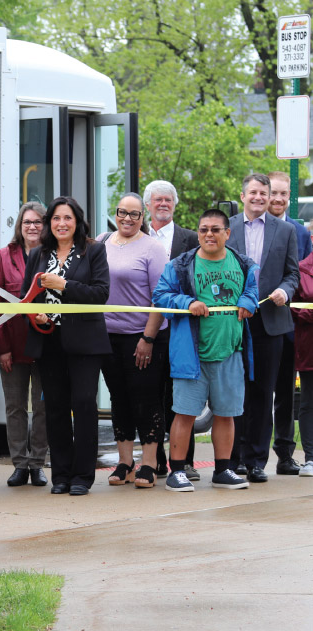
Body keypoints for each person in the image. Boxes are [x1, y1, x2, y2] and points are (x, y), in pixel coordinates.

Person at [153, 209, 258, 491]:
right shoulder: (180, 265)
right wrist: (186, 302)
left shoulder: (244, 264)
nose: (208, 235)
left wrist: (249, 300)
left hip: (230, 352)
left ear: (227, 233)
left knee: (226, 413)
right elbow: (160, 296)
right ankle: (176, 471)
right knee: (184, 413)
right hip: (192, 355)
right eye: (203, 230)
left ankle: (223, 470)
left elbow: (252, 290)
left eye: (215, 229)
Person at [23, 196, 110, 496]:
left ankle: (82, 477)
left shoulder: (94, 250)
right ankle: (60, 475)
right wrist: (36, 312)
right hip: (49, 341)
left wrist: (64, 286)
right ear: (49, 223)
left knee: (84, 405)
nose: (62, 224)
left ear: (78, 222)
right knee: (55, 408)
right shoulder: (39, 253)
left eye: (68, 218)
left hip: (85, 342)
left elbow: (101, 294)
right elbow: (27, 296)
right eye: (56, 218)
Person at [229, 173, 299, 482]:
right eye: (253, 192)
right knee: (234, 390)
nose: (259, 197)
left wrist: (286, 290)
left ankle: (256, 461)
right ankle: (234, 459)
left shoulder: (285, 231)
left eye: (264, 193)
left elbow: (293, 273)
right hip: (233, 323)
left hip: (271, 322)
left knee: (263, 392)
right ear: (243, 196)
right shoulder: (225, 227)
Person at [100, 193, 169, 489]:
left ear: (143, 217)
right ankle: (125, 462)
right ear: (115, 213)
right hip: (107, 337)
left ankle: (150, 463)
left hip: (142, 337)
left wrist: (148, 338)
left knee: (146, 398)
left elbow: (160, 298)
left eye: (134, 214)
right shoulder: (101, 242)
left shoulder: (153, 249)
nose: (127, 219)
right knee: (120, 399)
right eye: (122, 212)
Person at [0, 202, 49, 488]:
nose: (33, 227)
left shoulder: (52, 257)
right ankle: (19, 465)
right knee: (14, 408)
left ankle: (37, 464)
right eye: (27, 222)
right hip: (12, 347)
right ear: (19, 226)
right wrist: (1, 349)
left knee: (42, 407)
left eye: (38, 222)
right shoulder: (3, 257)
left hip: (45, 347)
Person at [144, 180, 200, 480]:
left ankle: (186, 461)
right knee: (153, 393)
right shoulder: (135, 236)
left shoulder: (190, 238)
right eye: (157, 200)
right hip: (146, 329)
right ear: (148, 205)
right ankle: (157, 459)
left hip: (179, 328)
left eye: (168, 199)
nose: (163, 204)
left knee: (181, 396)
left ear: (174, 204)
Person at [268, 171, 312, 476]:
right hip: (254, 321)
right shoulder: (240, 228)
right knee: (253, 391)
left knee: (286, 390)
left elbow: (305, 278)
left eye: (284, 194)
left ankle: (284, 453)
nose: (278, 199)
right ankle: (245, 454)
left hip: (289, 324)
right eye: (274, 193)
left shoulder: (300, 232)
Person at [292, 249, 313, 477]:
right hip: (309, 347)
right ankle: (311, 458)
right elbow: (294, 308)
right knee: (309, 402)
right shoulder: (301, 269)